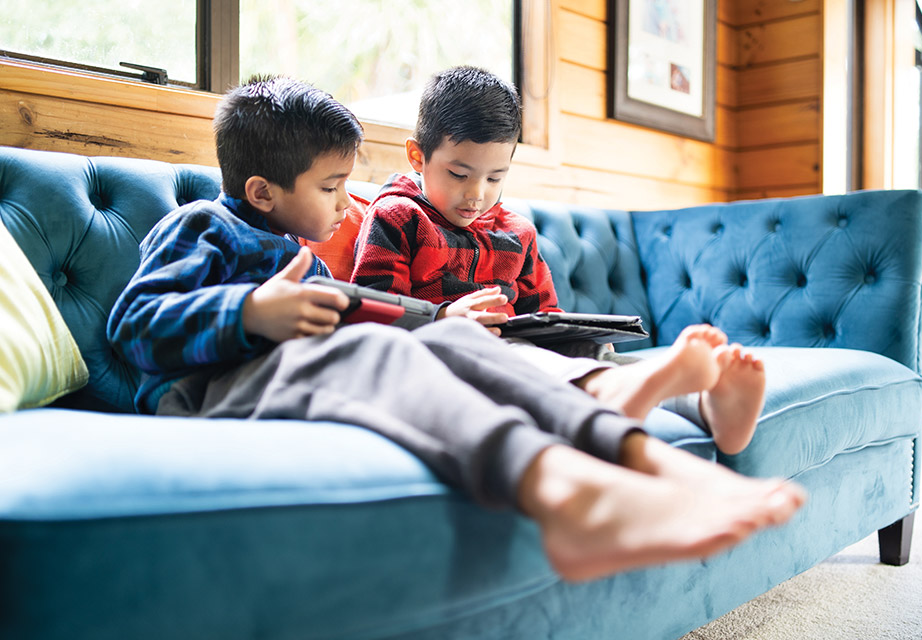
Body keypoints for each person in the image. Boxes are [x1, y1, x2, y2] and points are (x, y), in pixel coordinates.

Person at [106, 75, 805, 583]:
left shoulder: (303, 257)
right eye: (331, 188)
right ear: (262, 192)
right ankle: (566, 495)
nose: (349, 202)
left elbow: (370, 309)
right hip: (209, 390)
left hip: (297, 367)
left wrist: (440, 321)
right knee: (379, 351)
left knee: (452, 341)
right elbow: (133, 326)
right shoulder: (204, 226)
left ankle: (648, 457)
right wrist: (249, 315)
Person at [350, 65, 764, 455]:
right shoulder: (399, 217)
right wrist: (442, 317)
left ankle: (704, 406)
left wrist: (563, 329)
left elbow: (542, 311)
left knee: (583, 349)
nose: (477, 193)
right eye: (460, 175)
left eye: (495, 178)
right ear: (418, 157)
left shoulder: (516, 231)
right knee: (514, 356)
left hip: (517, 345)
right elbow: (372, 309)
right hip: (446, 352)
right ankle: (613, 398)